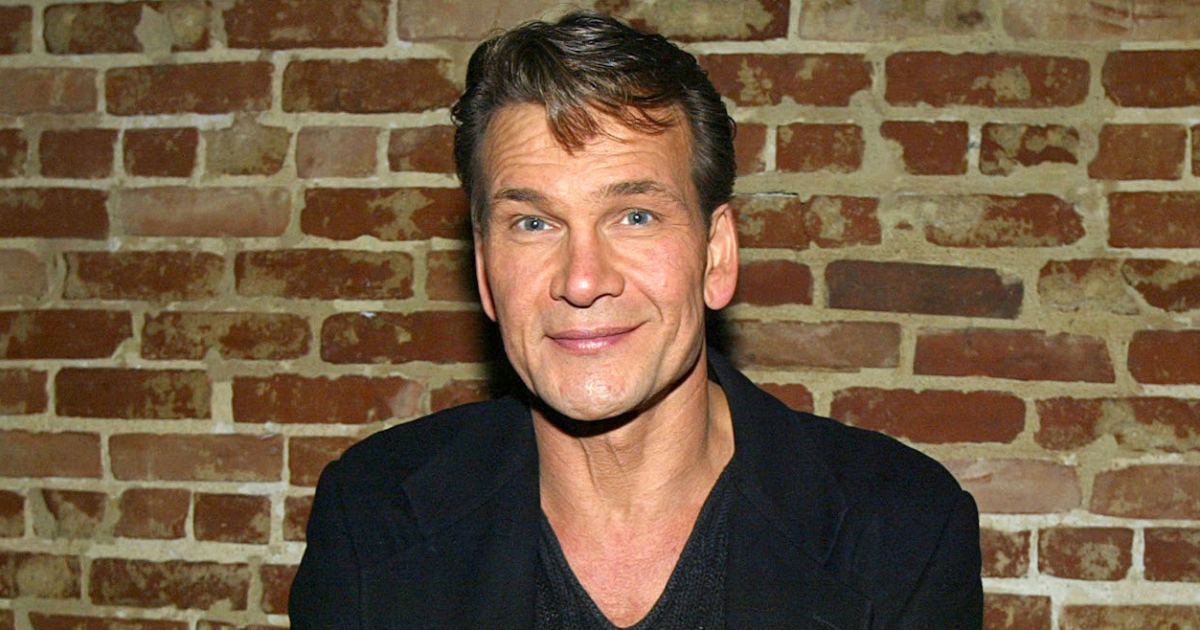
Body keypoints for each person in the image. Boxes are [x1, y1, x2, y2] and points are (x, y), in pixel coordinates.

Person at [290, 12, 982, 629]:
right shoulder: (370, 516)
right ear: (485, 271)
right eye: (533, 223)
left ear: (716, 255)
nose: (582, 279)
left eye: (636, 216)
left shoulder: (901, 530)